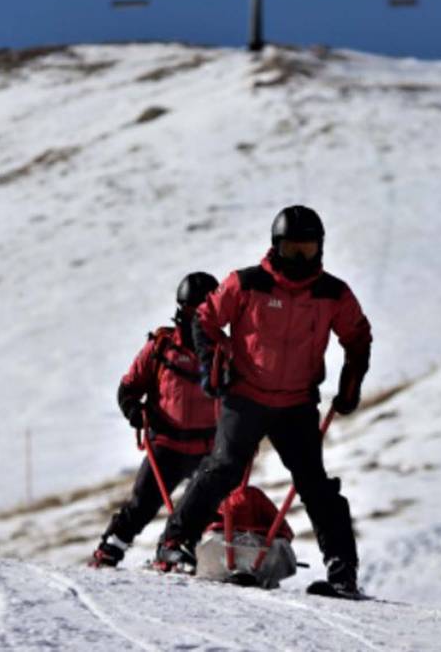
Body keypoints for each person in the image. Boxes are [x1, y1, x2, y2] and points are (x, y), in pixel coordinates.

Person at [155, 205, 373, 597]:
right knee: (222, 468)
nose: (300, 259)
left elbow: (358, 336)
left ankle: (343, 573)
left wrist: (350, 384)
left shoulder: (331, 293)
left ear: (320, 248)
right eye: (292, 250)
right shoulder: (247, 283)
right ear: (276, 247)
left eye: (307, 250)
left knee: (316, 486)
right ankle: (174, 546)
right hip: (246, 396)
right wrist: (213, 363)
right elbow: (204, 319)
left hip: (296, 404)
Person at [89, 272, 221, 568]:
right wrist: (135, 412)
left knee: (206, 507)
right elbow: (129, 388)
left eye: (206, 310)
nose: (198, 318)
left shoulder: (224, 352)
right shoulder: (162, 348)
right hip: (167, 443)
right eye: (192, 310)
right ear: (181, 309)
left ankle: (181, 550)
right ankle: (111, 548)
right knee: (143, 503)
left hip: (207, 448)